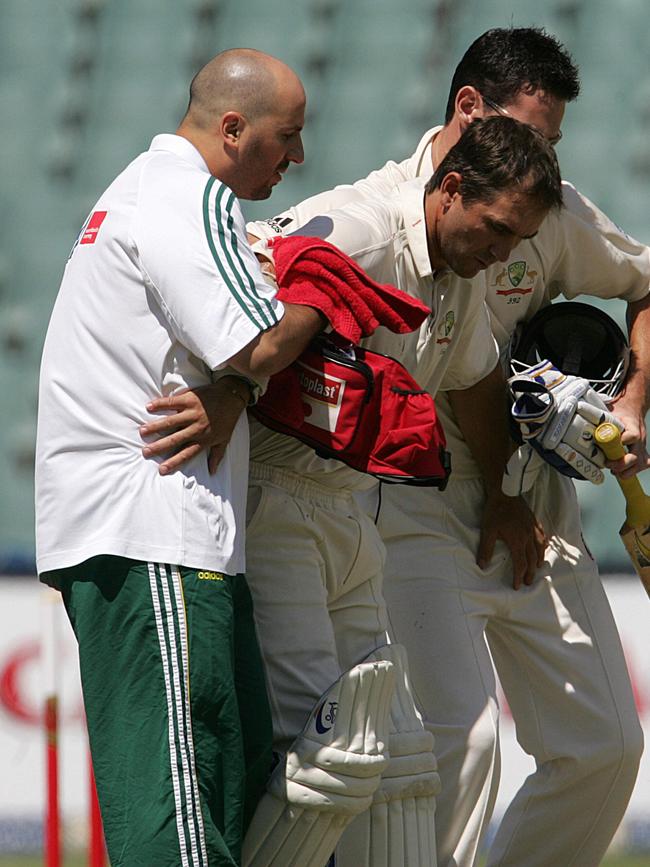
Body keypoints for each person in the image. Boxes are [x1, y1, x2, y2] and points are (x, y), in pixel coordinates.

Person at [246, 27, 649, 867]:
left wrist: (629, 406)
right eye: (533, 135)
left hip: (528, 497)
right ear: (469, 112)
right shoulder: (372, 219)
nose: (545, 165)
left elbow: (629, 290)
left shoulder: (552, 209)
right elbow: (251, 292)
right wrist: (221, 396)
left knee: (605, 751)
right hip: (401, 499)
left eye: (554, 144)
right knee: (456, 749)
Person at [147, 116, 564, 866]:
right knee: (319, 759)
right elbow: (236, 285)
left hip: (350, 509)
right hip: (273, 500)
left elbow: (471, 383)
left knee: (397, 757)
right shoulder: (362, 230)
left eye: (516, 242)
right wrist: (230, 391)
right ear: (452, 188)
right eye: (497, 229)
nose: (502, 253)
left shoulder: (461, 278)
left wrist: (502, 492)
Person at [34, 48, 327, 867]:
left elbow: (230, 363)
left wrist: (233, 393)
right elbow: (261, 340)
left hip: (157, 536)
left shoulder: (141, 191)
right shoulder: (186, 196)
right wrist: (325, 298)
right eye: (288, 137)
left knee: (219, 804)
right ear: (233, 130)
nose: (297, 158)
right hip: (155, 533)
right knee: (180, 824)